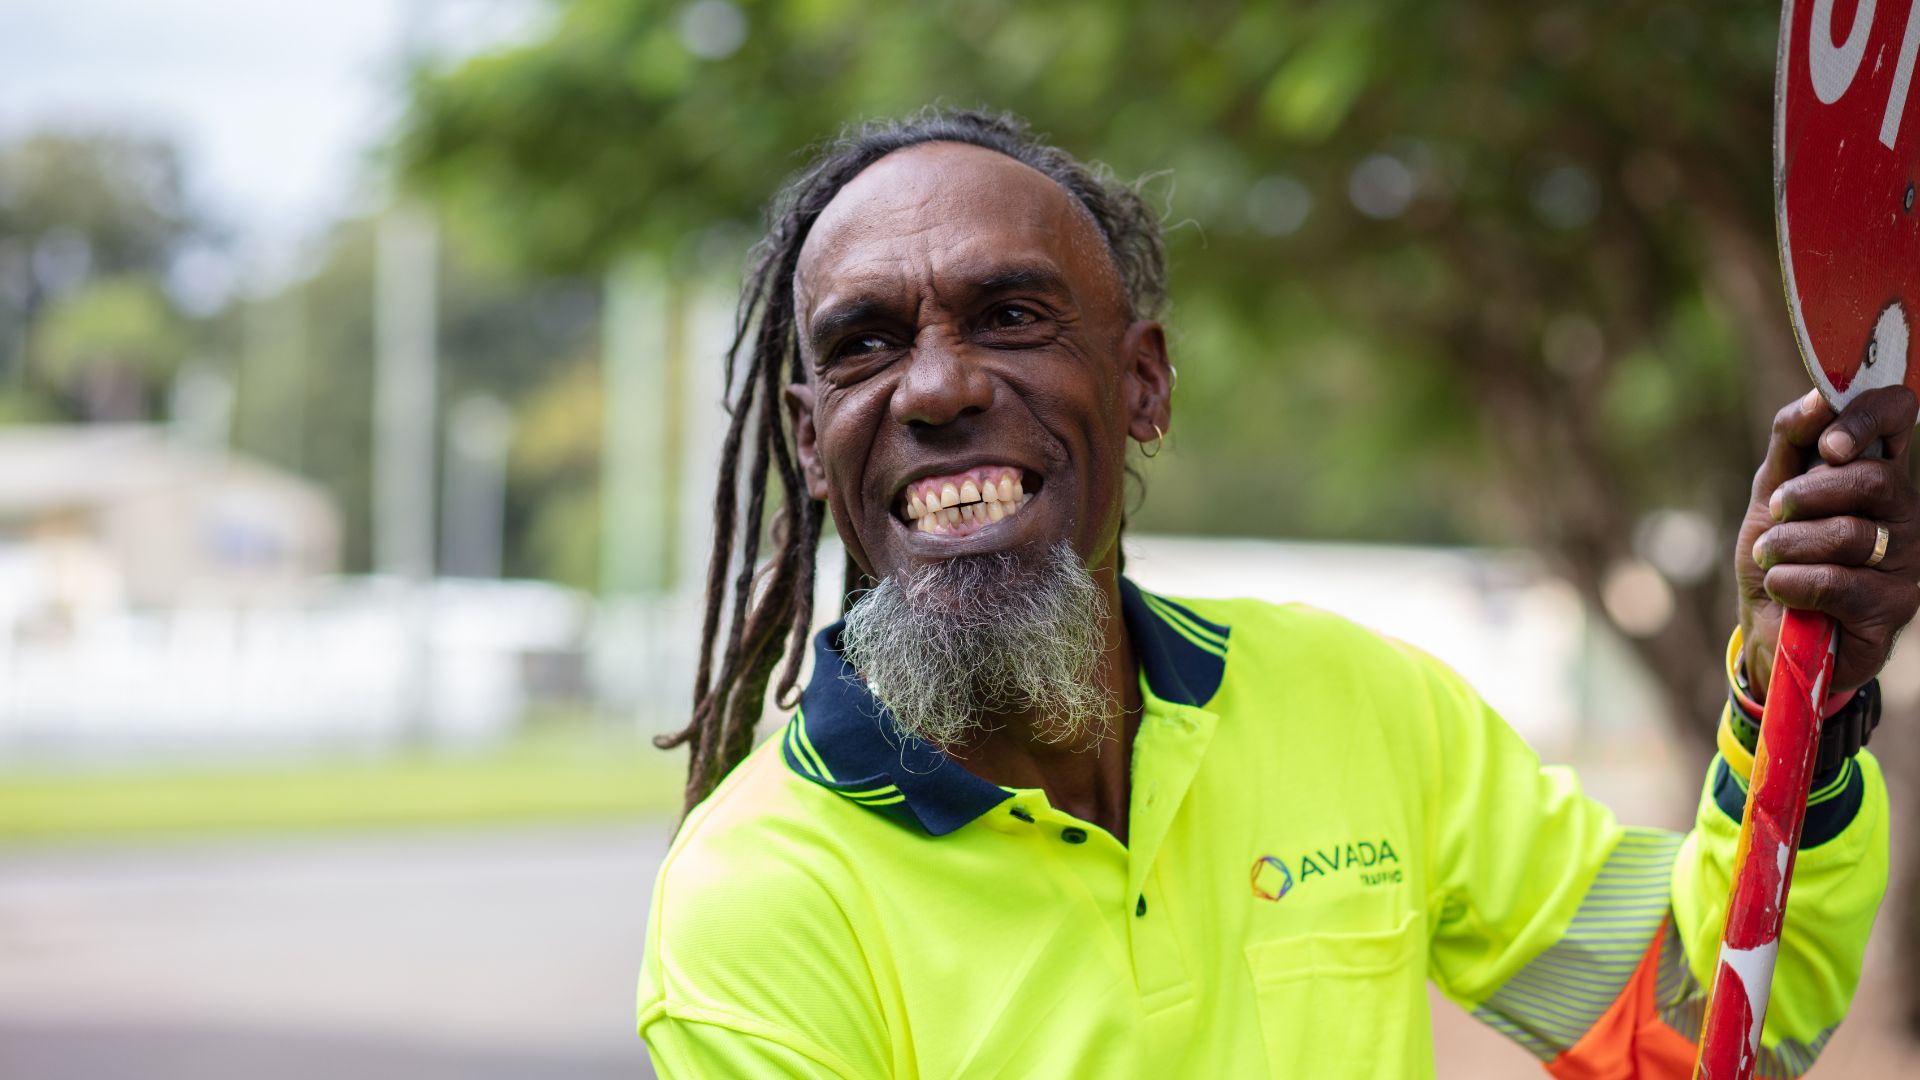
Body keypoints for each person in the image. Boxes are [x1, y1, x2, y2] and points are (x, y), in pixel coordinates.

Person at [636, 109, 1911, 1079]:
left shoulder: (1354, 700)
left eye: (1011, 315)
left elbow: (1690, 1027)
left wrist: (1801, 690)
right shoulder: (757, 902)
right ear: (811, 442)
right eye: (864, 345)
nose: (935, 389)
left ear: (1143, 384)